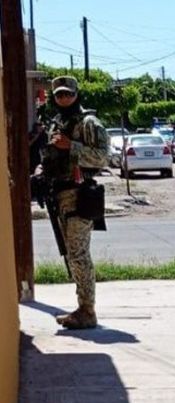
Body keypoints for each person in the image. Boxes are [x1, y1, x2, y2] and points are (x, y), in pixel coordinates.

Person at [40, 76, 109, 329]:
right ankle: (82, 308)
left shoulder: (88, 123)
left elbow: (103, 157)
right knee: (71, 254)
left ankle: (87, 311)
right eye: (59, 95)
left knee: (79, 255)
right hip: (60, 195)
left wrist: (72, 146)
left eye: (68, 94)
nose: (63, 99)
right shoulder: (57, 123)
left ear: (77, 95)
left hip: (79, 195)